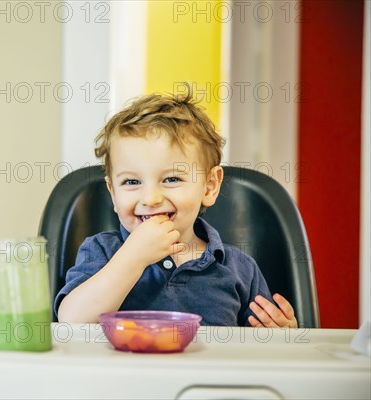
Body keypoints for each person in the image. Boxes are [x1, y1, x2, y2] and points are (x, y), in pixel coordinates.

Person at [55, 89, 297, 328]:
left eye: (171, 179)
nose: (150, 198)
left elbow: (258, 354)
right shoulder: (101, 251)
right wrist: (132, 258)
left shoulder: (240, 269)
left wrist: (279, 334)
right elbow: (71, 320)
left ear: (209, 187)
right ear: (113, 193)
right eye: (131, 182)